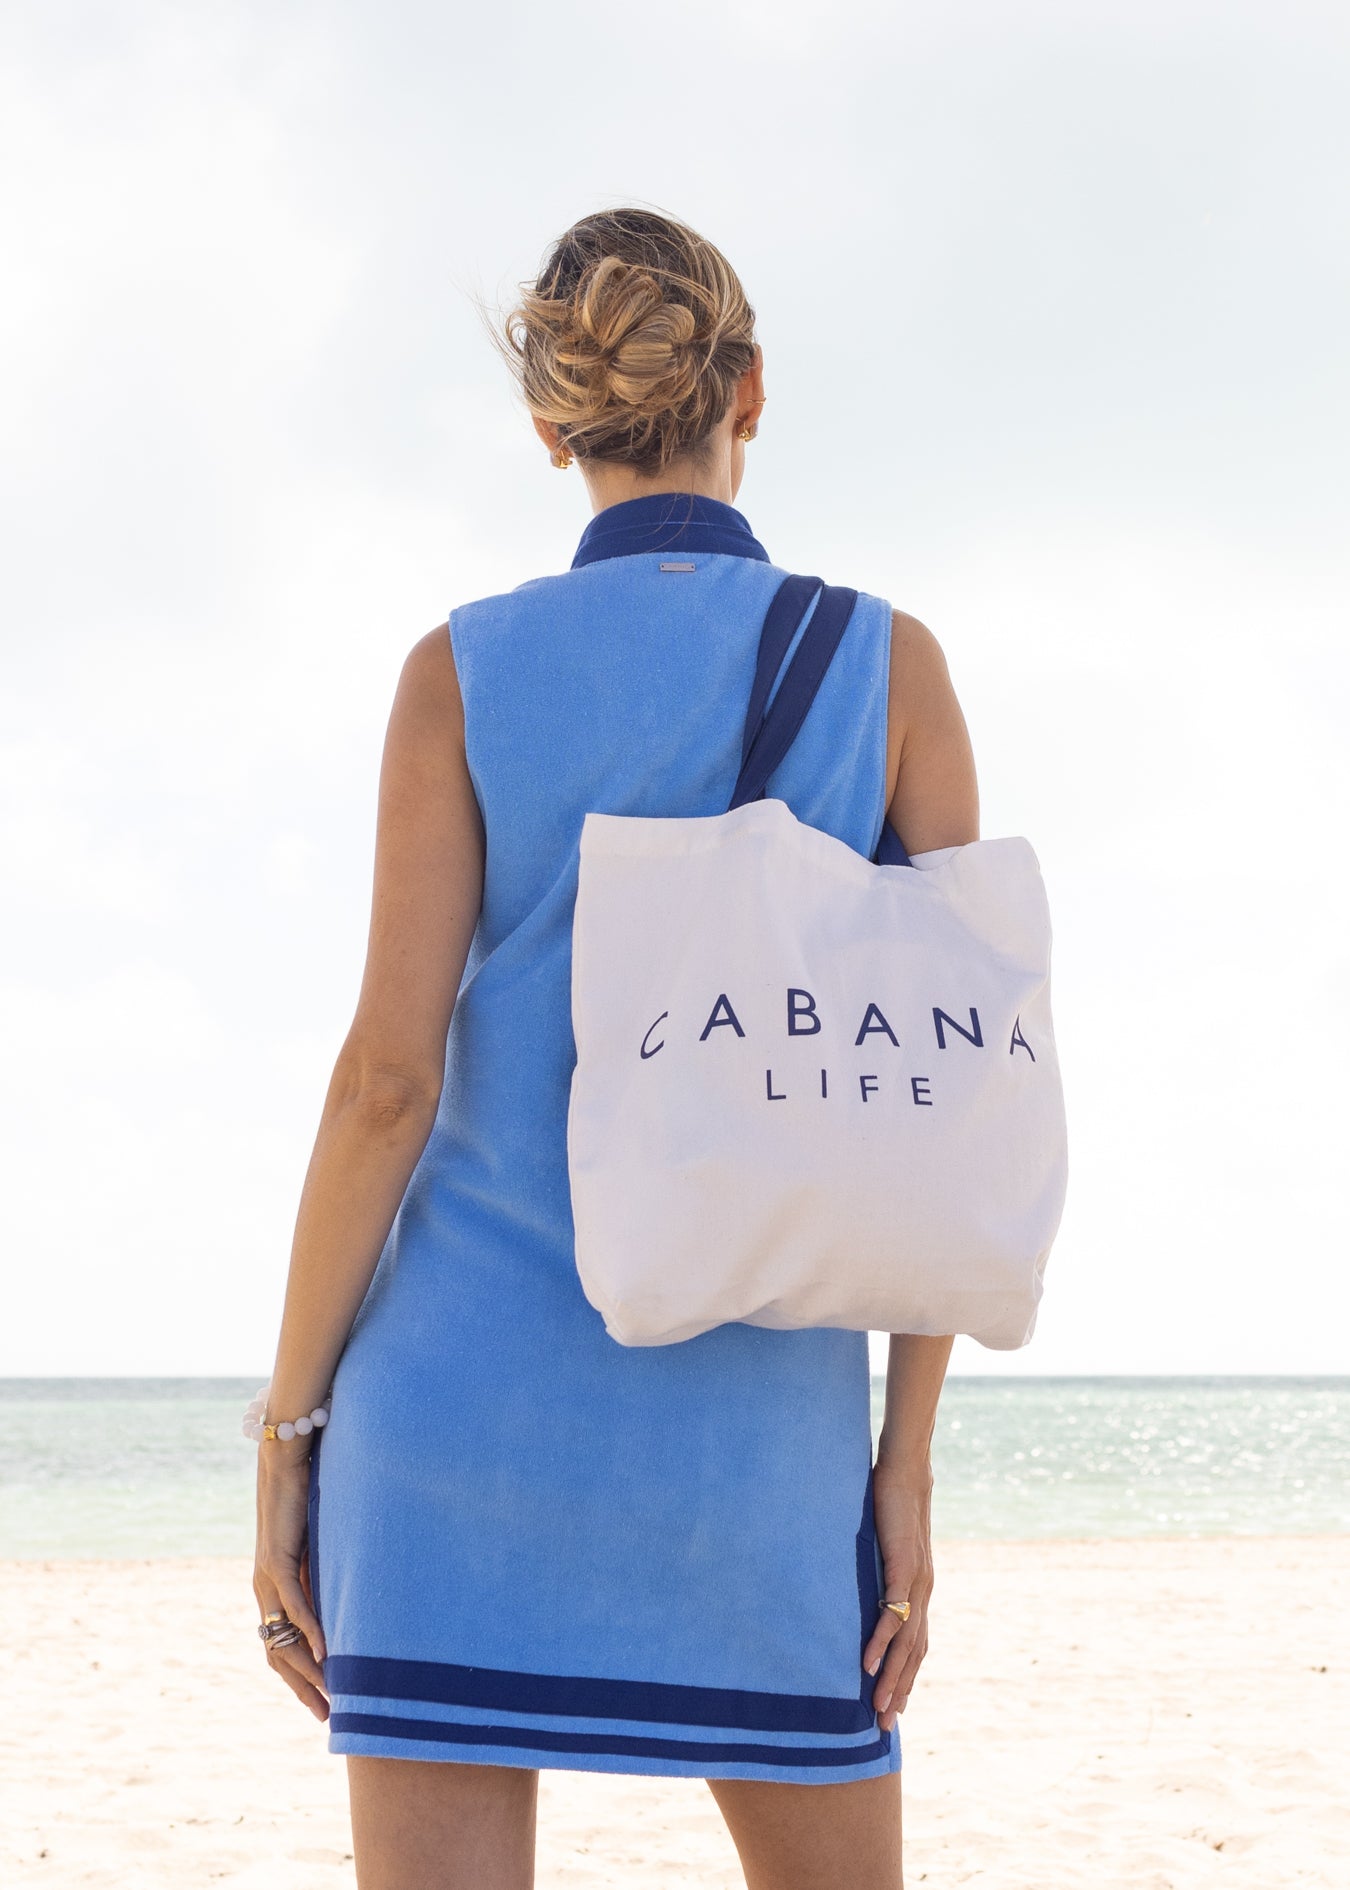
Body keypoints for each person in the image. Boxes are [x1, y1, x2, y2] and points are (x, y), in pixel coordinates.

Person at [250, 207, 975, 1890]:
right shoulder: (891, 669)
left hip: (447, 1437)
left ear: (548, 425)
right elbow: (946, 1107)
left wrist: (289, 1439)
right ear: (752, 389)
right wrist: (903, 1470)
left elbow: (386, 1084)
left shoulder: (460, 670)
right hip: (754, 1462)